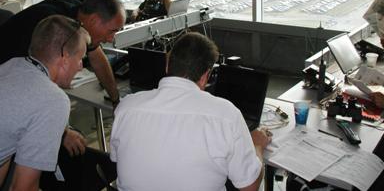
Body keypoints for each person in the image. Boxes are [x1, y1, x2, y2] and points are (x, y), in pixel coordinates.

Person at [110, 32, 271, 191]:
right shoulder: (226, 115)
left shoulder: (126, 108)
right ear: (205, 76)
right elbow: (250, 187)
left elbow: (117, 159)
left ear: (167, 65)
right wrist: (257, 145)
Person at [0, 15, 90, 190]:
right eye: (80, 58)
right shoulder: (53, 100)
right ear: (64, 58)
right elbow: (24, 187)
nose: (80, 67)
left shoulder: (11, 66)